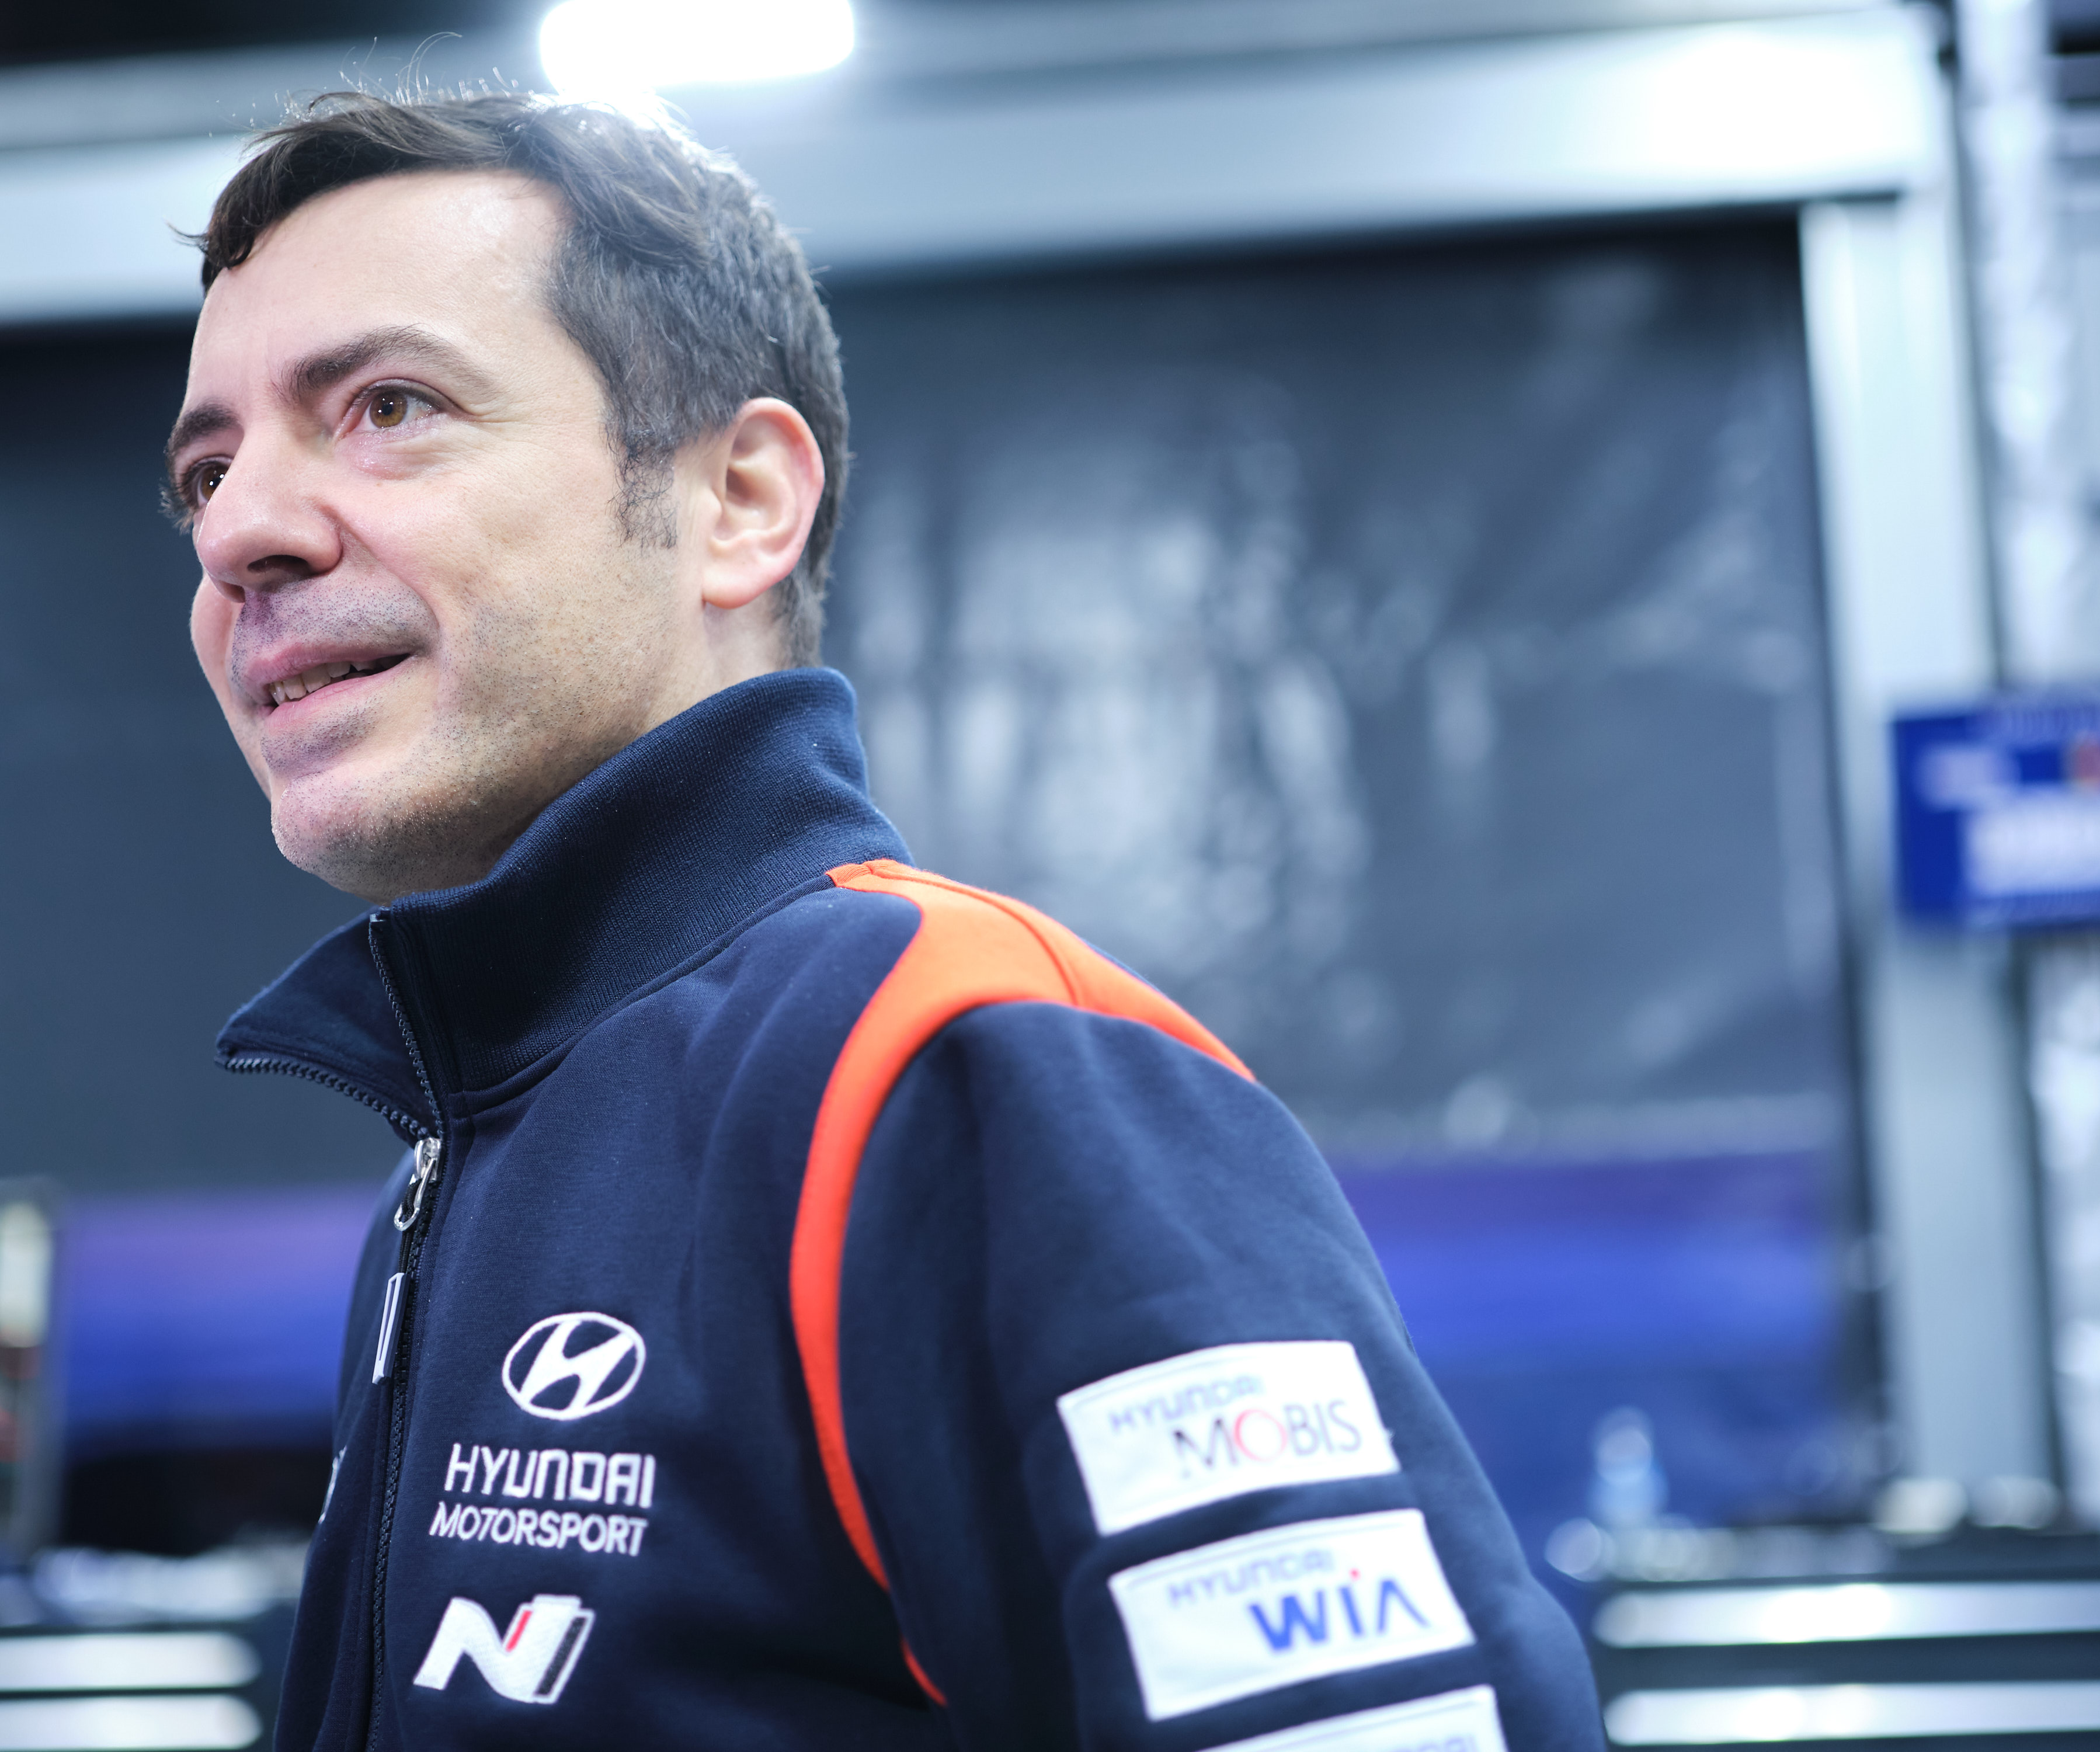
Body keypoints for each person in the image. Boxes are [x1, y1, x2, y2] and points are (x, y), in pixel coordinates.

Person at [169, 89, 1601, 1752]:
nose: (240, 532)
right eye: (206, 471)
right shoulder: (472, 1149)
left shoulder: (968, 1072)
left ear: (738, 501)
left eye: (388, 407)